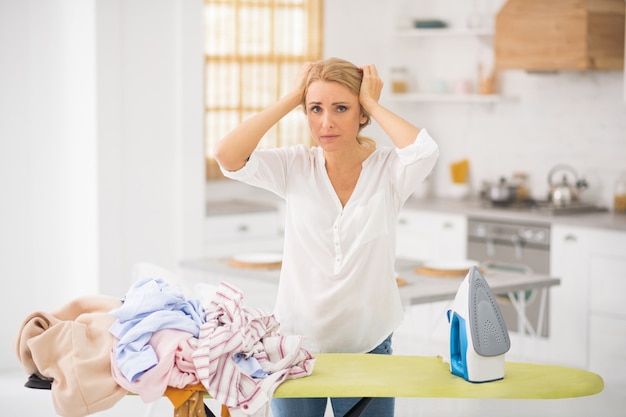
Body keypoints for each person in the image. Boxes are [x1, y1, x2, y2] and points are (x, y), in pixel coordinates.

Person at [214, 57, 439, 417]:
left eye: (341, 108)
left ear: (361, 113)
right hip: (293, 347)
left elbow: (424, 150)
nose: (326, 122)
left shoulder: (390, 170)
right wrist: (292, 97)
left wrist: (374, 103)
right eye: (315, 109)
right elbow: (227, 156)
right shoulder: (294, 166)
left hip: (367, 344)